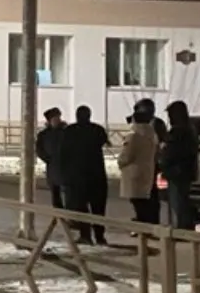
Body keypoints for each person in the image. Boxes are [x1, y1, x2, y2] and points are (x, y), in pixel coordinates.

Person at [55, 103, 111, 244]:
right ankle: (100, 236)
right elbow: (104, 141)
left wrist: (64, 175)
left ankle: (85, 235)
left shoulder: (70, 131)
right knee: (98, 208)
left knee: (81, 208)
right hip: (97, 175)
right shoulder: (97, 130)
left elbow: (63, 155)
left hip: (77, 177)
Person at [159, 100, 200, 231]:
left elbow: (172, 152)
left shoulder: (179, 131)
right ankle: (184, 226)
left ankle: (181, 229)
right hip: (183, 171)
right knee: (181, 200)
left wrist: (163, 161)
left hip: (177, 172)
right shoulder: (190, 129)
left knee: (178, 202)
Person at [119, 99, 162, 225]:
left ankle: (144, 227)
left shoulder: (134, 135)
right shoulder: (152, 134)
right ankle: (149, 224)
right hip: (148, 170)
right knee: (148, 202)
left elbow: (126, 156)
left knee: (140, 204)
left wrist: (120, 162)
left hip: (135, 174)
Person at [35, 108, 66, 212]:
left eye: (58, 118)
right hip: (52, 167)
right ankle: (59, 214)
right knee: (55, 192)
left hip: (66, 166)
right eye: (54, 118)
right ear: (49, 121)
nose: (57, 120)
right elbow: (39, 150)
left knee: (68, 192)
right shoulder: (43, 135)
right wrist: (48, 159)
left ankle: (69, 215)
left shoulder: (66, 132)